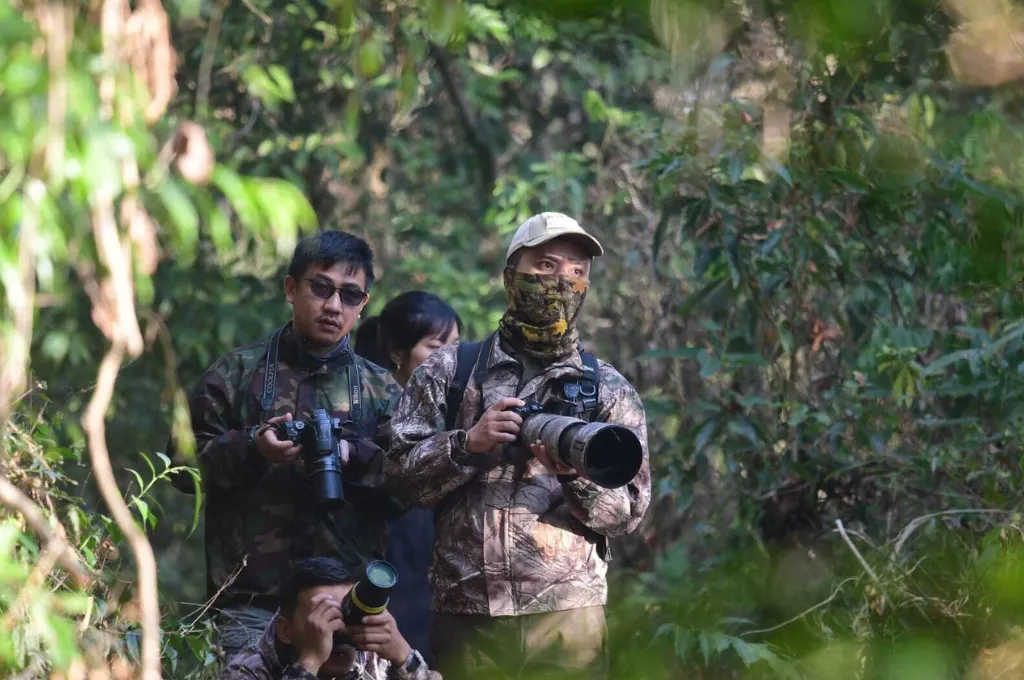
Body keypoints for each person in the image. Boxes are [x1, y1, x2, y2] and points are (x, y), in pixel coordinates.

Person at [384, 213, 652, 679]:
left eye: (576, 271)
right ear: (511, 274)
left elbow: (628, 513)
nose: (562, 281)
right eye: (546, 266)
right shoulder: (451, 372)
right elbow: (399, 480)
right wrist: (468, 444)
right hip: (468, 617)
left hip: (569, 622)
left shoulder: (607, 388)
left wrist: (577, 479)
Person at [167, 230, 404, 661]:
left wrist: (353, 456)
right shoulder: (236, 373)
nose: (334, 306)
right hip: (251, 603)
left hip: (345, 607)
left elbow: (411, 487)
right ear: (291, 288)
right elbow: (179, 469)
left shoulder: (381, 389)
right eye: (321, 288)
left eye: (351, 296)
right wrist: (254, 450)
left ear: (363, 305)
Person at [353, 291, 463, 667]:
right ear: (397, 353)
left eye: (454, 348)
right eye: (435, 346)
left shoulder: (462, 412)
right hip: (394, 572)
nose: (449, 359)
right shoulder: (373, 416)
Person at [220, 557, 441, 680]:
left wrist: (403, 655)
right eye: (322, 618)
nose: (341, 630)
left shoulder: (371, 659)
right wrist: (310, 661)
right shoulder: (246, 672)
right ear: (286, 630)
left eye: (345, 614)